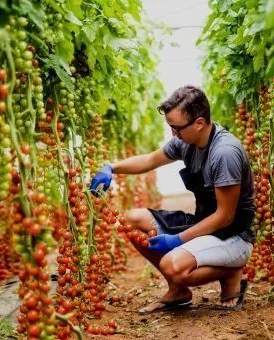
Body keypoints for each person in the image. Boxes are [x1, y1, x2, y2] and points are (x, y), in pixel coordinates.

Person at [89, 86, 256, 313]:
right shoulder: (186, 141)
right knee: (131, 220)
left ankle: (231, 271)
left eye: (177, 129)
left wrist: (178, 239)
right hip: (204, 226)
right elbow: (150, 160)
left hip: (233, 235)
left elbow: (225, 217)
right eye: (170, 127)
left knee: (172, 265)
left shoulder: (224, 153)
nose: (173, 135)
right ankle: (178, 292)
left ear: (199, 123)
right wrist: (112, 167)